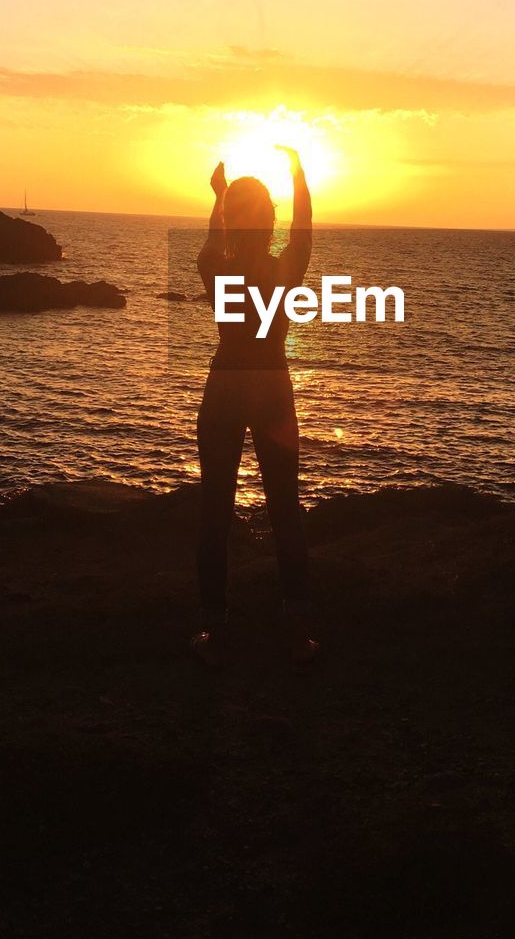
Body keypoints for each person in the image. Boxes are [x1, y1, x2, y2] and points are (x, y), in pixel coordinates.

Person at [192, 146, 318, 668]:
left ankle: (215, 623)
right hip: (270, 387)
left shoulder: (217, 269)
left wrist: (220, 198)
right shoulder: (285, 269)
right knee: (284, 508)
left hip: (226, 386)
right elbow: (304, 230)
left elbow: (210, 245)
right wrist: (298, 176)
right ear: (269, 222)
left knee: (215, 510)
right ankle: (293, 624)